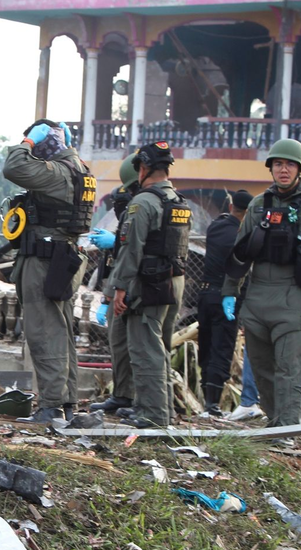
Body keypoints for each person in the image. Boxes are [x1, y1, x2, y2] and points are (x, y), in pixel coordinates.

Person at [221, 139, 301, 427]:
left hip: (294, 297)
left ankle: (287, 427)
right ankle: (276, 421)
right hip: (259, 297)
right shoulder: (260, 204)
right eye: (277, 164)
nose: (283, 170)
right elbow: (240, 251)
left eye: (289, 164)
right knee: (261, 369)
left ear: (300, 168)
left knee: (290, 368)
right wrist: (229, 291)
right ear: (270, 168)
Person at [2, 119, 96, 424]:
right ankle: (66, 403)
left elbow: (14, 168)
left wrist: (27, 142)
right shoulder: (81, 169)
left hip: (46, 260)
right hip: (64, 258)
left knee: (44, 333)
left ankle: (51, 406)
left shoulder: (57, 172)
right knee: (62, 331)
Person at [107, 141, 191, 428]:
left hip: (149, 283)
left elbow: (132, 249)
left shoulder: (143, 202)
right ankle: (154, 406)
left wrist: (120, 287)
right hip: (174, 280)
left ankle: (154, 415)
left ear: (142, 168)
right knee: (160, 347)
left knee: (145, 350)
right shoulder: (178, 201)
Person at [90, 154, 140, 417]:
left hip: (138, 289)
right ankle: (122, 395)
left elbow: (133, 255)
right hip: (118, 290)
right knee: (119, 345)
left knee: (138, 350)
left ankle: (140, 401)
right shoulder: (124, 224)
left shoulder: (144, 211)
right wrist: (106, 299)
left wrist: (118, 242)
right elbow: (112, 267)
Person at [198, 189, 251, 416]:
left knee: (207, 345)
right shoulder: (243, 236)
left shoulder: (215, 227)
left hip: (205, 294)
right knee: (222, 348)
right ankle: (212, 404)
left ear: (231, 207)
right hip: (228, 297)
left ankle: (205, 401)